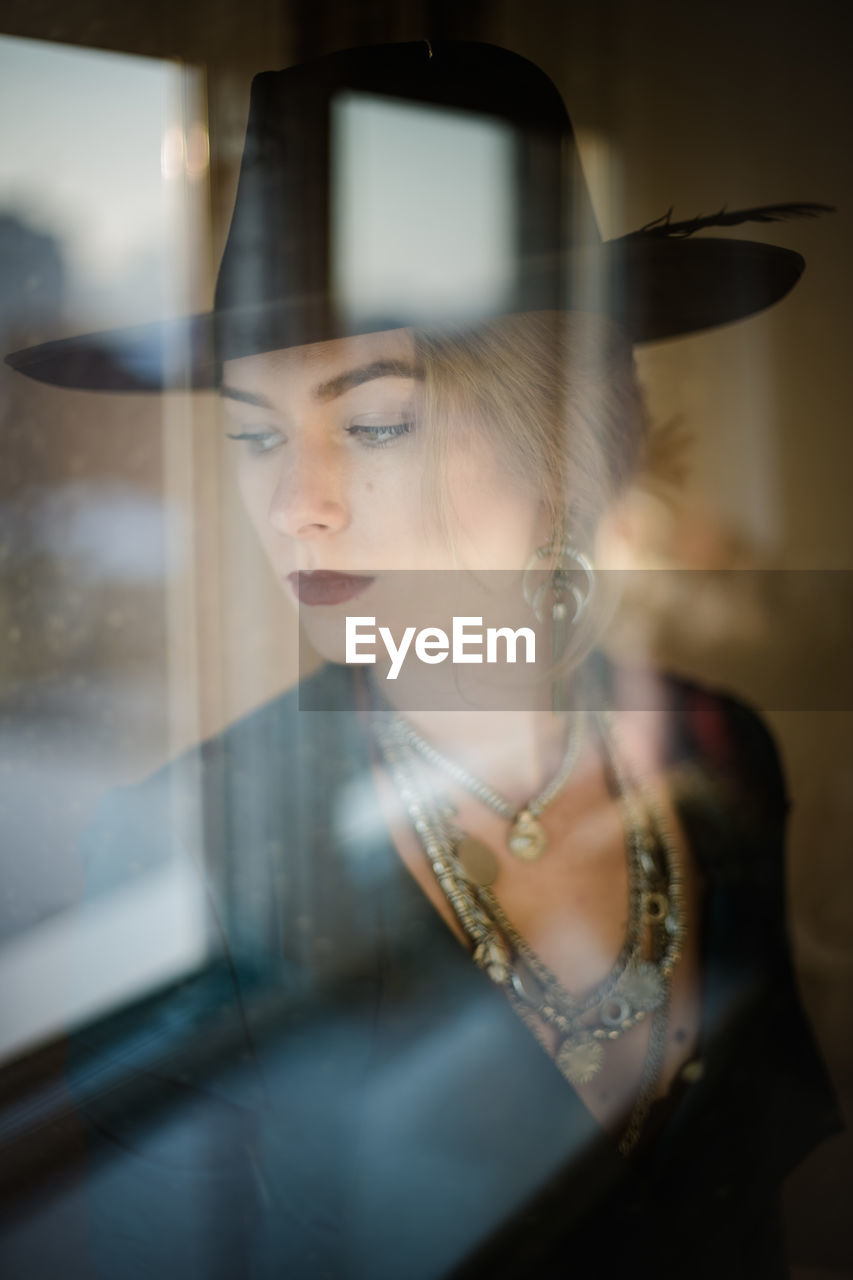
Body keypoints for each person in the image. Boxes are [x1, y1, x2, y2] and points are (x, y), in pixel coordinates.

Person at [5, 39, 841, 1280]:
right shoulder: (186, 849)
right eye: (253, 434)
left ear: (562, 440)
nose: (298, 504)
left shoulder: (722, 755)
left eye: (378, 421)